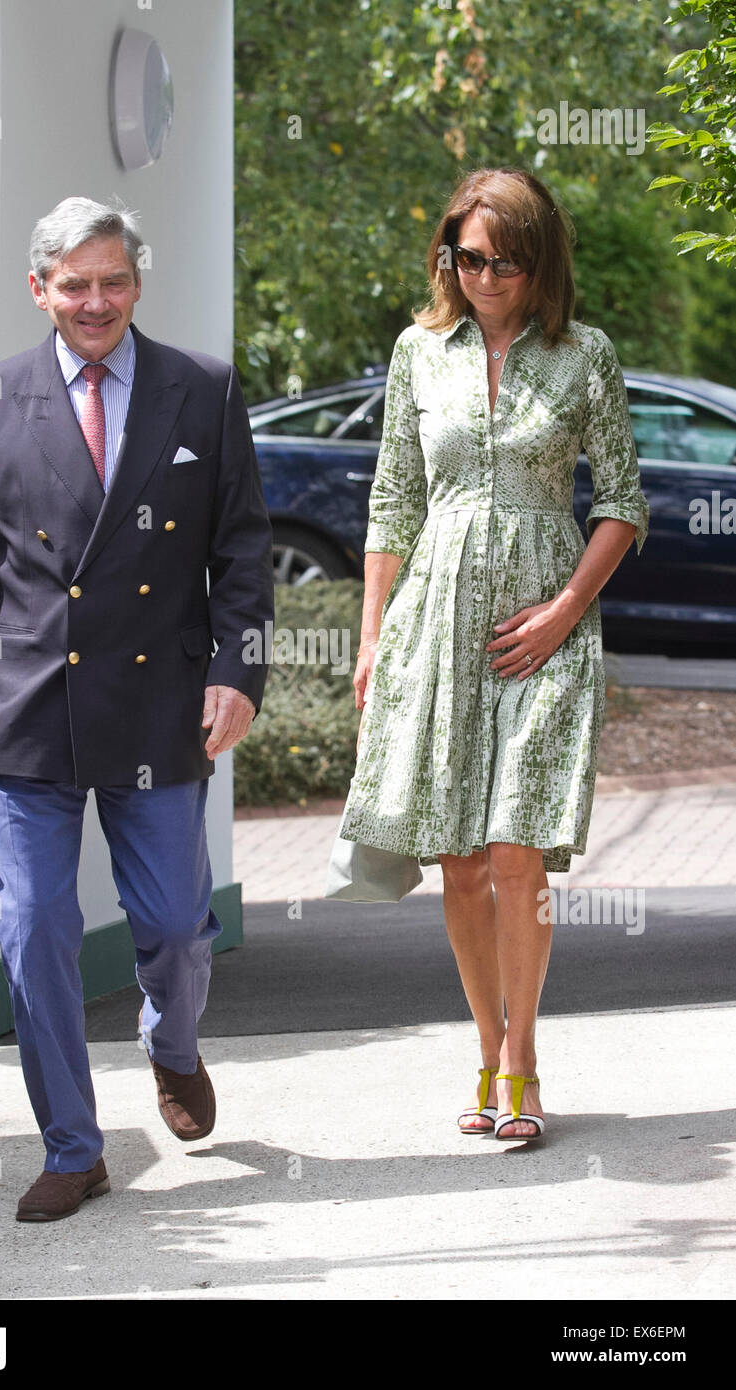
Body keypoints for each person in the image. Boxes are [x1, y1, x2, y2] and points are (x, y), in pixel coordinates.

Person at [0, 196, 274, 1218]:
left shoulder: (201, 390)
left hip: (160, 706)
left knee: (176, 928)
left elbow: (239, 549)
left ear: (135, 283)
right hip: (27, 709)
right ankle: (72, 1145)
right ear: (39, 290)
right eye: (73, 284)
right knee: (34, 924)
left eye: (111, 281)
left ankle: (171, 1042)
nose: (93, 302)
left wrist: (238, 669)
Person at [326, 167, 649, 1142]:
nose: (483, 276)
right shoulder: (416, 352)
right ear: (446, 257)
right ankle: (482, 1045)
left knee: (517, 850)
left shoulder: (581, 354)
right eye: (466, 258)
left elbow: (621, 502)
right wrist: (373, 633)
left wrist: (561, 613)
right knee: (459, 861)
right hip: (437, 618)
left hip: (543, 621)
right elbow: (390, 500)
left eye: (504, 259)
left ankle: (523, 1062)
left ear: (538, 260)